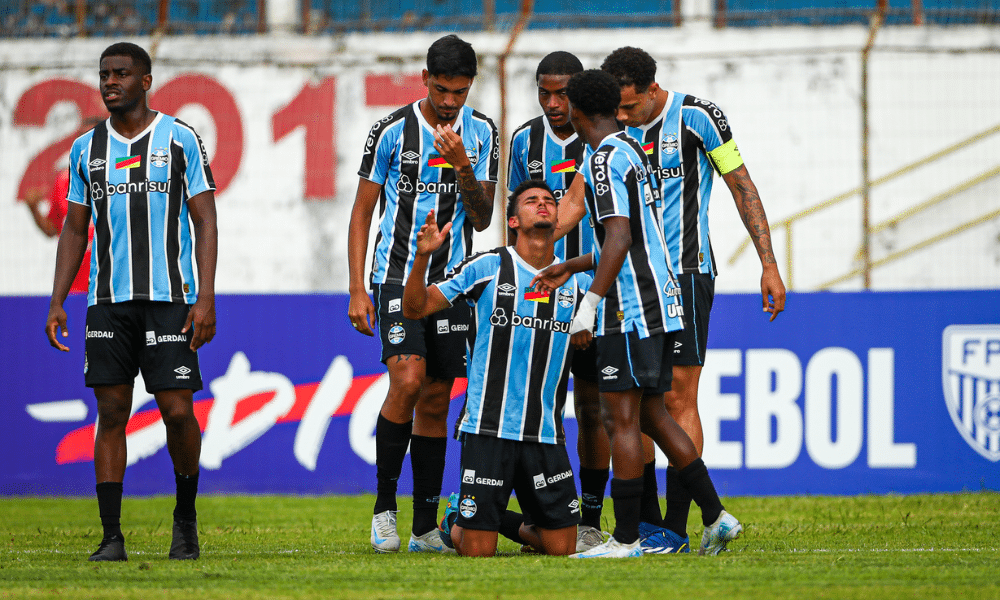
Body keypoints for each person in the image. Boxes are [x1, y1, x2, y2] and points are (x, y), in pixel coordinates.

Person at [534, 69, 741, 558]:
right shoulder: (631, 149)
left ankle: (627, 538)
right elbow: (634, 234)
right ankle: (716, 515)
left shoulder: (602, 159)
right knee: (652, 413)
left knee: (619, 418)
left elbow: (621, 239)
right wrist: (573, 263)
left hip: (630, 309)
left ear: (579, 112)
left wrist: (588, 305)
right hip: (661, 301)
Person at [600, 46, 785, 547]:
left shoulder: (699, 118)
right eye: (616, 109)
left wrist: (768, 263)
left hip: (685, 273)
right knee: (635, 401)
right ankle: (646, 523)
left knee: (679, 397)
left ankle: (677, 528)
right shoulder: (608, 130)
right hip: (627, 281)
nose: (622, 117)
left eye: (631, 107)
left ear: (652, 90)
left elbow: (740, 185)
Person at [45, 42, 218, 562]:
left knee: (177, 409)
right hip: (108, 303)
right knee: (112, 409)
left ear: (146, 80)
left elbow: (205, 219)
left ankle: (184, 520)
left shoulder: (181, 139)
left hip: (171, 299)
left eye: (121, 73)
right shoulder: (84, 150)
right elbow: (75, 229)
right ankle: (111, 537)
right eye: (104, 74)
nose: (110, 82)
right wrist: (57, 301)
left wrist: (205, 296)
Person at [346, 34, 499, 553]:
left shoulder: (482, 133)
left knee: (436, 397)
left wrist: (462, 164)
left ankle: (424, 528)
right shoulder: (390, 131)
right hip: (395, 276)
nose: (450, 101)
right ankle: (384, 508)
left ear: (470, 85)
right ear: (425, 80)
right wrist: (355, 288)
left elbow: (483, 217)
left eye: (460, 91)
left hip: (453, 283)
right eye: (441, 90)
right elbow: (363, 210)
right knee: (408, 380)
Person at [402, 180, 589, 557]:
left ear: (558, 217)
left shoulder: (579, 282)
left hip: (545, 433)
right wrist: (422, 257)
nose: (543, 205)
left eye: (550, 201)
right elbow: (414, 308)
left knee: (563, 549)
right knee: (477, 553)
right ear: (513, 220)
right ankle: (460, 520)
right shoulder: (489, 266)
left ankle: (494, 517)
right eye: (532, 201)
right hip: (488, 428)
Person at [506, 51, 607, 553]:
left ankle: (589, 516)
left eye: (562, 93)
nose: (552, 103)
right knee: (543, 405)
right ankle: (547, 514)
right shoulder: (524, 140)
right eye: (543, 93)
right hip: (538, 294)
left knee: (593, 408)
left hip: (593, 290)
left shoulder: (603, 141)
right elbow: (516, 217)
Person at [23, 116, 104, 294]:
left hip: (112, 285)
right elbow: (53, 229)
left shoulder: (125, 174)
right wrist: (33, 209)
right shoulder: (63, 179)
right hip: (73, 285)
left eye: (93, 136)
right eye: (82, 136)